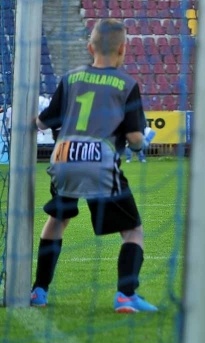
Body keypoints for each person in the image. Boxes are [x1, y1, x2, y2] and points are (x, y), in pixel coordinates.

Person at [30, 19, 157, 312]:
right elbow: (135, 138)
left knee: (57, 220)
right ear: (124, 49)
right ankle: (126, 295)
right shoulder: (126, 84)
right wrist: (142, 144)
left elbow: (44, 121)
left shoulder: (71, 78)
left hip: (63, 158)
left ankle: (39, 290)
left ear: (90, 47)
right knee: (133, 230)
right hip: (99, 161)